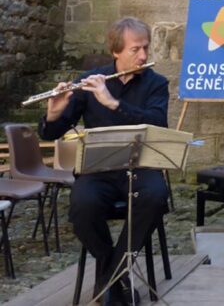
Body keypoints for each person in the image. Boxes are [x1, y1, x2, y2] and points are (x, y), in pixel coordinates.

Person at [38, 17, 169, 306]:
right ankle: (116, 272)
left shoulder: (156, 83)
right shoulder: (91, 81)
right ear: (116, 51)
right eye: (135, 49)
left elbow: (158, 122)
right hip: (98, 170)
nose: (143, 55)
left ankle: (110, 276)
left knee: (156, 196)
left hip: (140, 167)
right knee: (82, 206)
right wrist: (54, 113)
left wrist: (113, 103)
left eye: (146, 48)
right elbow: (51, 132)